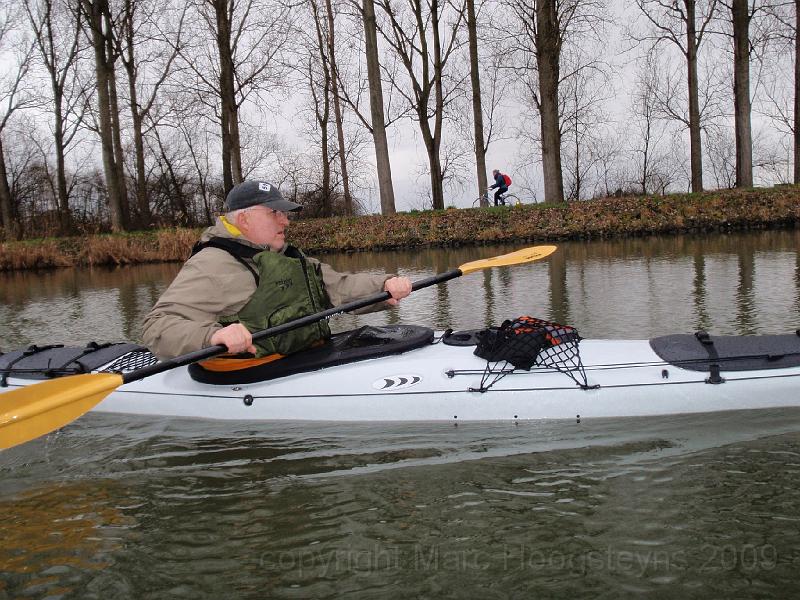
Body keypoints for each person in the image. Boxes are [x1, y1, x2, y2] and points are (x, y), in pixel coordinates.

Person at [142, 180, 413, 360]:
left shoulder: (283, 255)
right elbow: (156, 327)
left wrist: (384, 287)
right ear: (244, 218)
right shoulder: (213, 265)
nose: (285, 220)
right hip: (247, 374)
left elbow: (337, 287)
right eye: (274, 213)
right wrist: (212, 335)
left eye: (284, 213)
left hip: (299, 360)